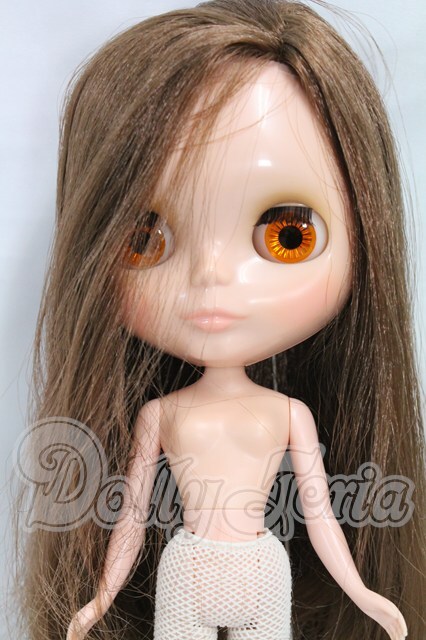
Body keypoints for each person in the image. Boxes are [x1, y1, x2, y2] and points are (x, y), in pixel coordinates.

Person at [16, 1, 425, 639]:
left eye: (287, 234)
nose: (211, 276)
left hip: (263, 571)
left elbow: (321, 518)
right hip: (188, 571)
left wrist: (362, 592)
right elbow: (131, 521)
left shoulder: (290, 414)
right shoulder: (162, 415)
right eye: (144, 240)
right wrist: (100, 599)